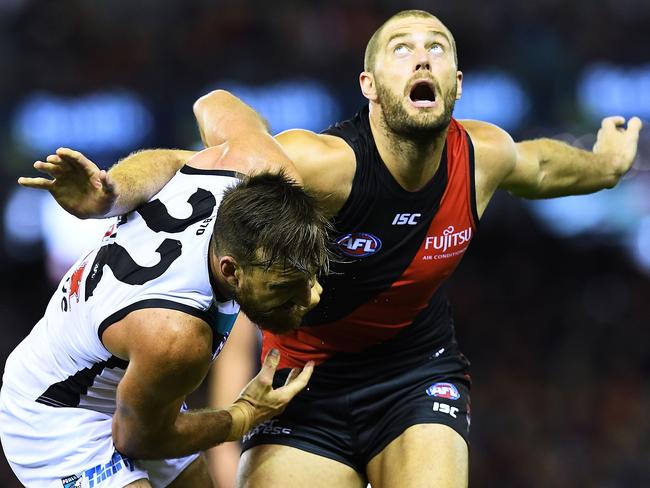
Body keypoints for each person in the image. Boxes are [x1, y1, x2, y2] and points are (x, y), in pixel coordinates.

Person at [31, 9, 643, 488]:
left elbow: (544, 167)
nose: (421, 55)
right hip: (301, 387)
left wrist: (606, 164)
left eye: (437, 46)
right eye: (401, 48)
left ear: (457, 83)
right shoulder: (320, 166)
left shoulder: (482, 157)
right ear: (370, 85)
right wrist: (113, 191)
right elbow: (195, 164)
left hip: (415, 374)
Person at [0, 103, 331, 487]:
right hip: (56, 416)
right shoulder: (177, 336)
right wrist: (241, 416)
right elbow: (136, 437)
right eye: (283, 288)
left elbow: (210, 105)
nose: (312, 298)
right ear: (230, 270)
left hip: (133, 387)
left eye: (308, 279)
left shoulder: (257, 168)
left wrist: (114, 191)